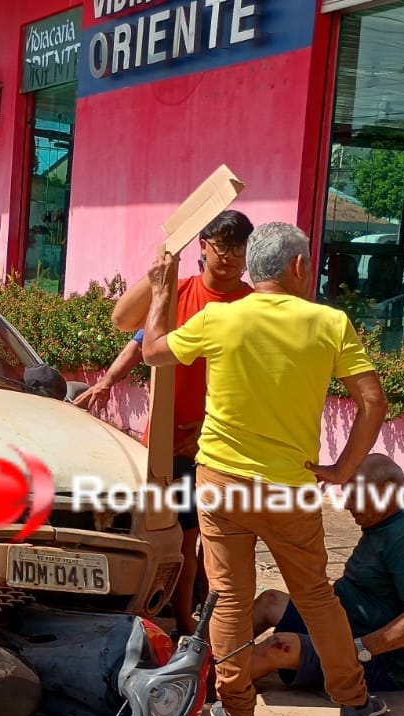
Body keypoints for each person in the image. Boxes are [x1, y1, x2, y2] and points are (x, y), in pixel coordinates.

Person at [140, 221, 391, 716]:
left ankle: (237, 710)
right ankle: (353, 702)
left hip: (220, 483)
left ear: (255, 266)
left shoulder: (220, 318)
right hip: (288, 490)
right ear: (298, 266)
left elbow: (153, 350)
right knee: (317, 596)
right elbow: (373, 402)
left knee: (230, 598)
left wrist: (163, 291)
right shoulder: (330, 323)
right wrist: (342, 470)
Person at [73, 210, 256, 634]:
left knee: (213, 542)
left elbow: (261, 375)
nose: (230, 256)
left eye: (239, 247)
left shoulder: (252, 306)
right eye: (221, 245)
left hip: (220, 445)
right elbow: (134, 336)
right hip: (164, 444)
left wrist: (209, 426)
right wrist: (106, 383)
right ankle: (174, 618)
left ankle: (206, 623)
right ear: (203, 246)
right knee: (171, 535)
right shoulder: (177, 293)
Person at [247, 454, 404, 694]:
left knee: (278, 647)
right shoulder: (385, 521)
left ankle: (217, 685)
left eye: (356, 496)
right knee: (270, 601)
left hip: (382, 663)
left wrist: (358, 649)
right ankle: (203, 659)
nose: (349, 505)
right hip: (338, 626)